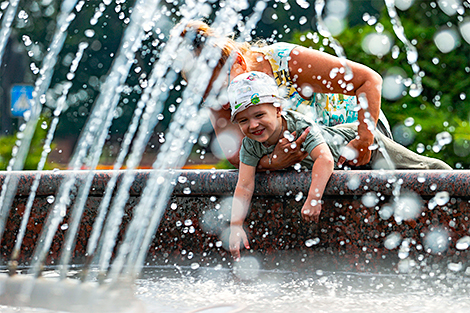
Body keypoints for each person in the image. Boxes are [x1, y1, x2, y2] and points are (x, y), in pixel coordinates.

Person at [227, 71, 451, 260]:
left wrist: (313, 199)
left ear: (277, 110)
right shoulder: (250, 145)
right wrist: (236, 225)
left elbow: (325, 159)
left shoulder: (299, 125)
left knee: (421, 168)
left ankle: (456, 181)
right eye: (244, 120)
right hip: (347, 167)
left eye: (259, 115)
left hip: (358, 144)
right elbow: (244, 186)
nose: (253, 125)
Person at [178, 20, 393, 170]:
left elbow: (369, 80)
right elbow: (236, 156)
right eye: (209, 96)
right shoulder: (217, 95)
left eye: (220, 91)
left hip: (361, 132)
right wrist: (273, 162)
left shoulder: (285, 61)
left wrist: (365, 140)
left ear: (239, 62)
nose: (222, 105)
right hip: (311, 158)